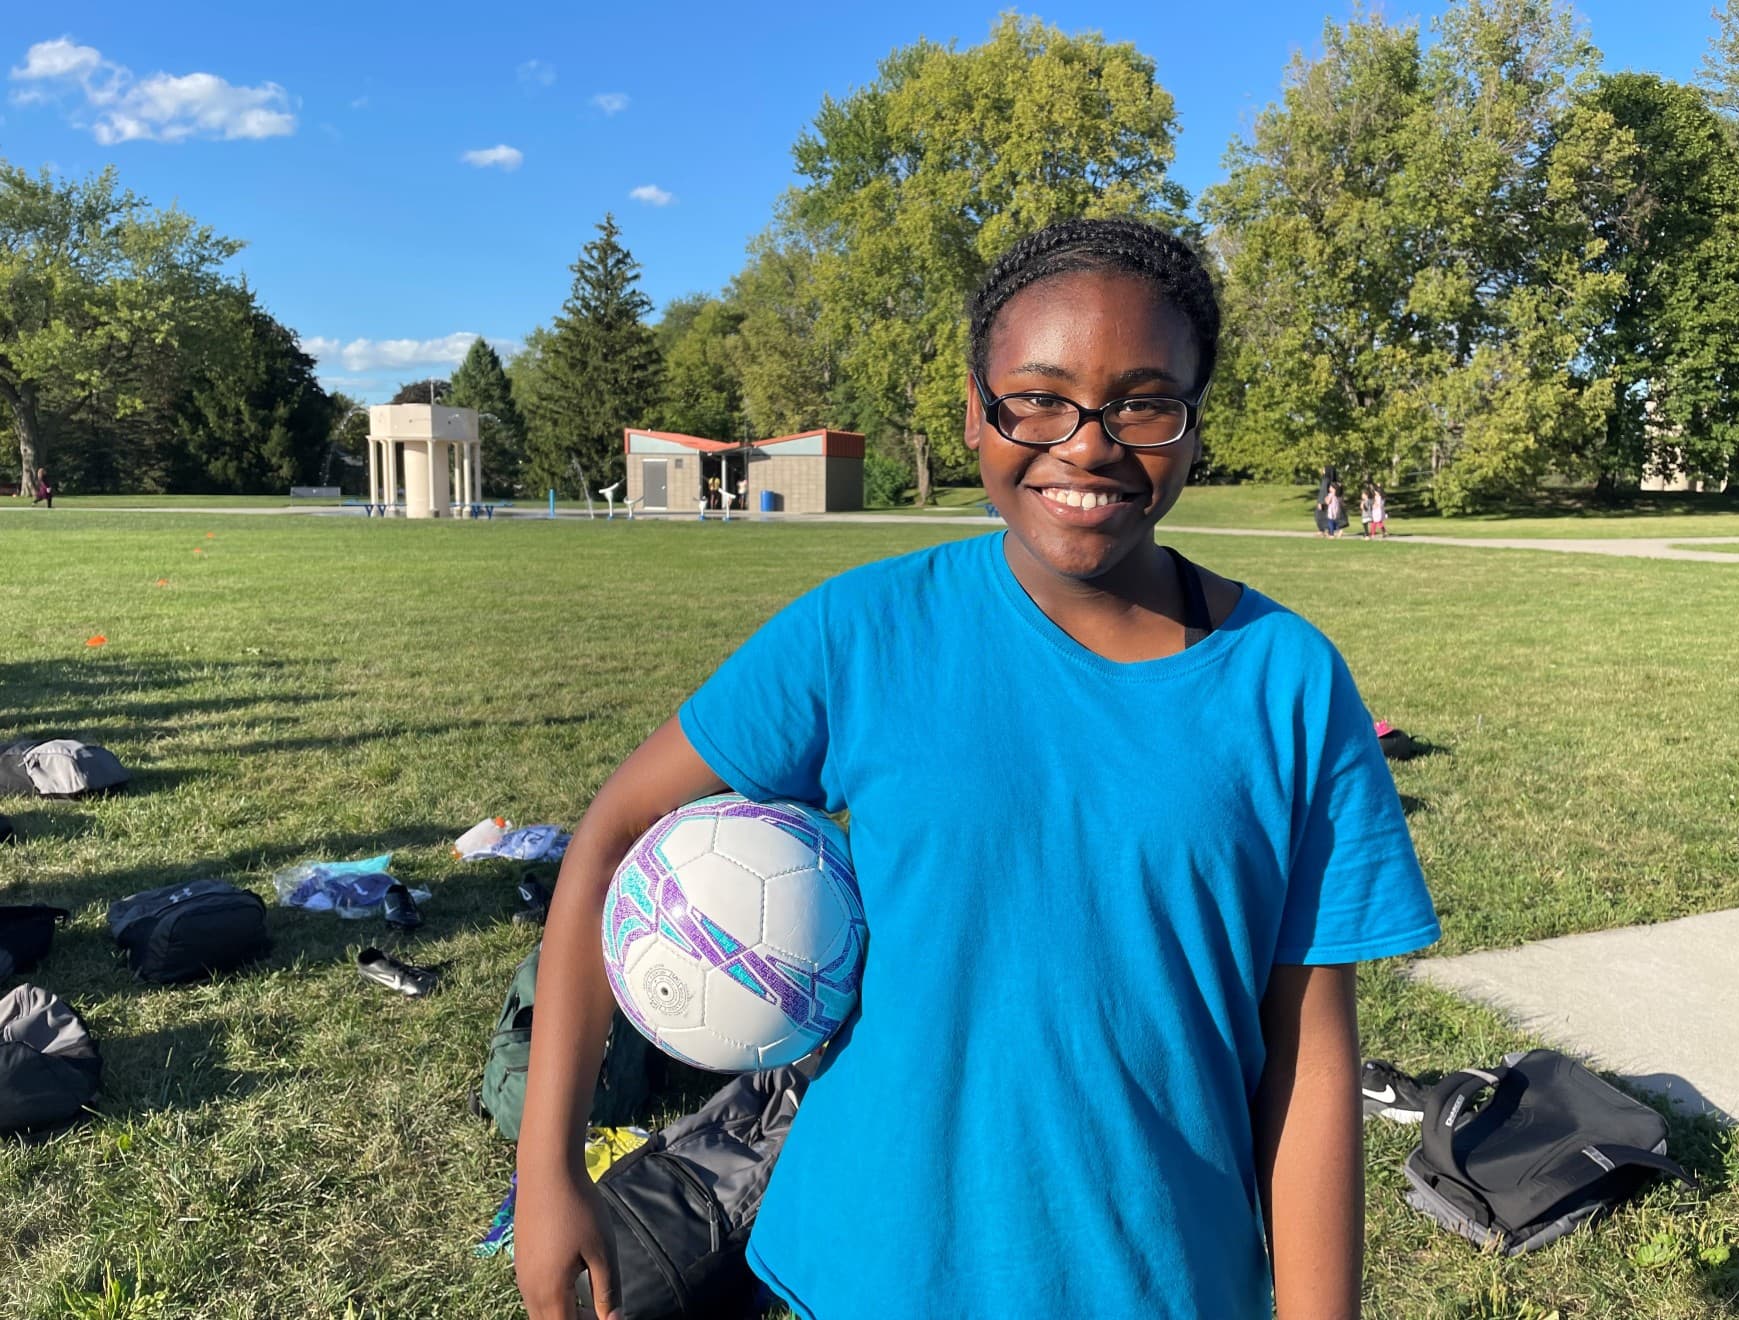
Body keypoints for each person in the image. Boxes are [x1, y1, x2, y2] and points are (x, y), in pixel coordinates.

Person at [514, 218, 1439, 1320]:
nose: (1085, 444)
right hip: (868, 1270)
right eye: (1036, 397)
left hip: (1162, 1281)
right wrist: (547, 1167)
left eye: (1141, 402)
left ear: (1193, 424)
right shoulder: (865, 631)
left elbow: (1311, 1058)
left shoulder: (1285, 682)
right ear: (973, 409)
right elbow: (619, 826)